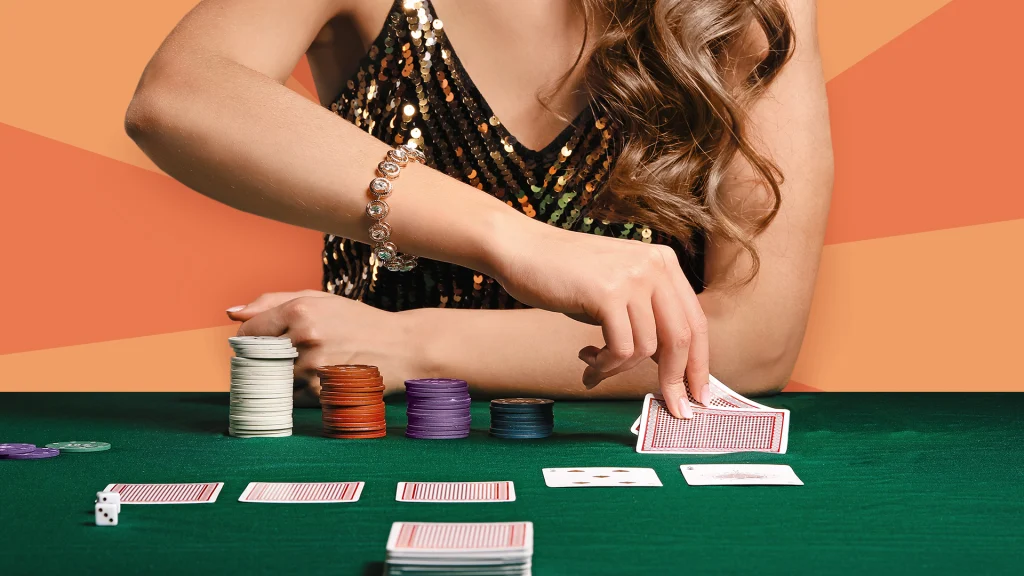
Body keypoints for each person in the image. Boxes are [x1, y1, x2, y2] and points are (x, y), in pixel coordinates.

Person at [125, 0, 832, 419]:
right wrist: (515, 242)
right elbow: (178, 96)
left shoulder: (747, 8)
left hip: (633, 476)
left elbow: (755, 339)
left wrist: (412, 346)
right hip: (379, 448)